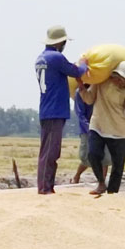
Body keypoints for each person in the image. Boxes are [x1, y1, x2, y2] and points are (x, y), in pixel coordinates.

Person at [35, 25, 88, 194]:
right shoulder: (56, 58)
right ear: (59, 43)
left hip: (46, 109)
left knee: (47, 150)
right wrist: (84, 65)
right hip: (55, 110)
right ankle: (45, 187)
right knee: (51, 151)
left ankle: (46, 185)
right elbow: (77, 71)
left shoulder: (41, 58)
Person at [79, 60, 125, 195]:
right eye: (120, 79)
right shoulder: (100, 82)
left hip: (118, 129)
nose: (122, 82)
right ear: (115, 75)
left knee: (118, 166)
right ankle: (100, 182)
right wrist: (82, 88)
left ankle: (113, 193)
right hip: (98, 124)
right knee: (93, 155)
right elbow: (89, 99)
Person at [73, 87, 109, 184]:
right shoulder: (79, 92)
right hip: (87, 130)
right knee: (87, 157)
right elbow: (80, 114)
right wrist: (89, 127)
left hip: (103, 127)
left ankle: (102, 181)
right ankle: (77, 176)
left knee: (105, 156)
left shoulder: (101, 90)